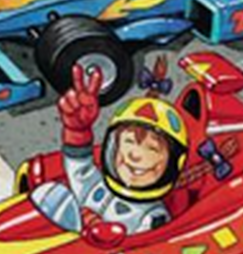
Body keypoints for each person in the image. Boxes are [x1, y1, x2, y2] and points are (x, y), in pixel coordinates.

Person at [56, 64, 189, 235]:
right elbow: (79, 167)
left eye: (152, 148)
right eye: (128, 141)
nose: (134, 155)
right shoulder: (95, 185)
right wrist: (77, 131)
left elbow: (140, 247)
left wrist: (98, 230)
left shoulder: (151, 219)